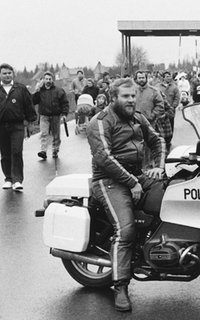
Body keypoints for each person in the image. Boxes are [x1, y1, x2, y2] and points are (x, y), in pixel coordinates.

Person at [87, 78, 165, 312]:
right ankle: (120, 286)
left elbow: (158, 140)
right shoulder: (100, 122)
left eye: (133, 96)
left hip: (136, 175)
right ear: (113, 98)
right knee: (126, 229)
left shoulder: (138, 117)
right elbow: (103, 157)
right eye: (125, 96)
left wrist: (159, 168)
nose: (131, 100)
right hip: (108, 180)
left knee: (170, 193)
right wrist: (132, 182)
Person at [0, 63, 37, 192]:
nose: (7, 75)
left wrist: (31, 122)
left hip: (17, 125)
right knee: (5, 153)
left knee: (16, 151)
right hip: (1, 126)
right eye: (4, 73)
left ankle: (17, 180)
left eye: (9, 73)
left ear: (13, 74)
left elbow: (29, 105)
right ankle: (8, 179)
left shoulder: (20, 89)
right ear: (0, 75)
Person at [32, 71, 69, 159]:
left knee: (56, 134)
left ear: (52, 80)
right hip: (44, 115)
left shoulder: (59, 90)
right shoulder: (40, 91)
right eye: (46, 79)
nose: (48, 81)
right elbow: (33, 101)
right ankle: (43, 151)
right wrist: (36, 91)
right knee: (43, 133)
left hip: (55, 115)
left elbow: (65, 103)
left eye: (50, 79)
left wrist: (64, 114)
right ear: (43, 80)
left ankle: (55, 149)